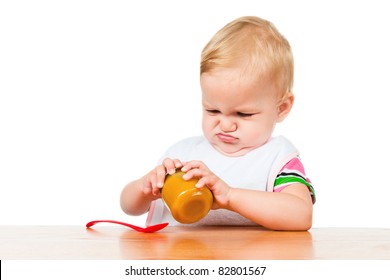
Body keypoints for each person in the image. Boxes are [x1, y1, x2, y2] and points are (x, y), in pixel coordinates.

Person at [120, 16, 315, 230]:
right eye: (213, 110)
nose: (226, 125)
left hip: (253, 261)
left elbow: (301, 216)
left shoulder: (278, 159)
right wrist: (145, 187)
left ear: (281, 108)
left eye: (243, 114)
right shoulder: (184, 156)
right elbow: (129, 207)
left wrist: (230, 196)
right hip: (183, 260)